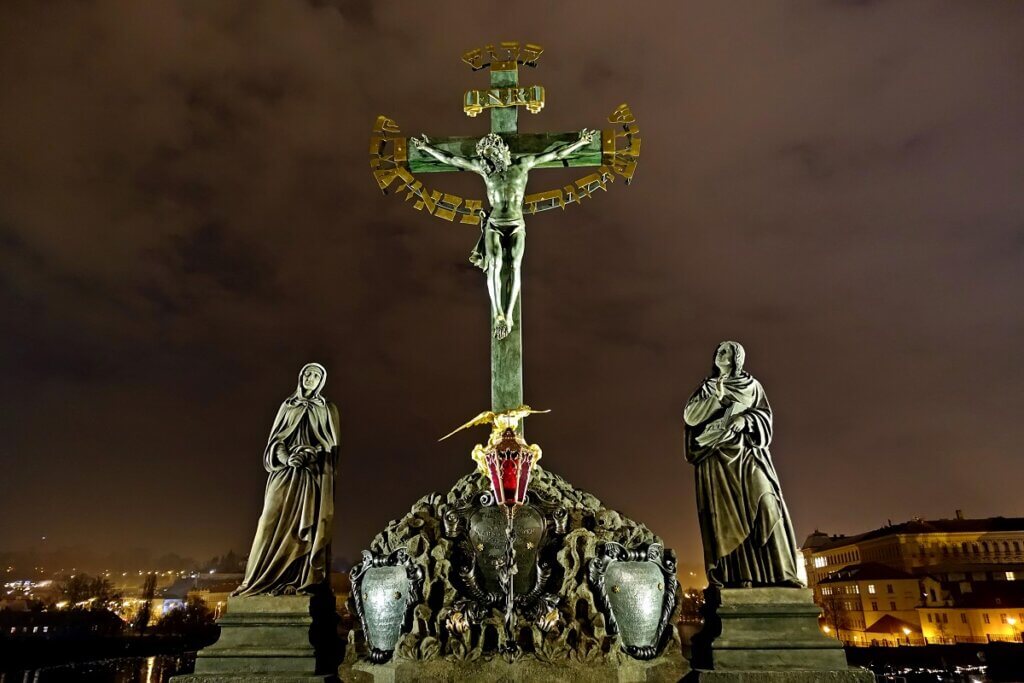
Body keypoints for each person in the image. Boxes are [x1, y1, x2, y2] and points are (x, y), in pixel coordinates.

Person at [410, 129, 596, 339]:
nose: (489, 159)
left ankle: (508, 315)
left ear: (501, 149)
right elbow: (453, 159)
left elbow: (555, 154)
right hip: (495, 223)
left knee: (514, 265)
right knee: (496, 263)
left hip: (516, 223)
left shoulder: (523, 164)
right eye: (486, 156)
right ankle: (498, 313)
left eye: (491, 153)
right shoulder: (485, 169)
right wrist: (426, 148)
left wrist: (580, 143)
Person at [683, 341, 802, 588]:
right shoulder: (708, 387)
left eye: (726, 350)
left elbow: (765, 417)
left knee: (768, 504)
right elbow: (690, 416)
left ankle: (781, 574)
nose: (719, 352)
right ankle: (739, 576)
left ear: (737, 357)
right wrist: (717, 397)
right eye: (718, 350)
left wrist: (745, 419)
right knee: (728, 521)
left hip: (748, 455)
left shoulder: (752, 386)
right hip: (718, 461)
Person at [233, 363, 339, 596]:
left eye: (316, 375)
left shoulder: (327, 409)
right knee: (267, 522)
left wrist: (310, 454)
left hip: (309, 476)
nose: (310, 378)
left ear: (322, 381)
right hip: (284, 473)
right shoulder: (287, 406)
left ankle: (297, 579)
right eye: (307, 374)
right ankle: (255, 580)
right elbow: (274, 441)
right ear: (301, 377)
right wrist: (286, 456)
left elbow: (331, 448)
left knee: (305, 527)